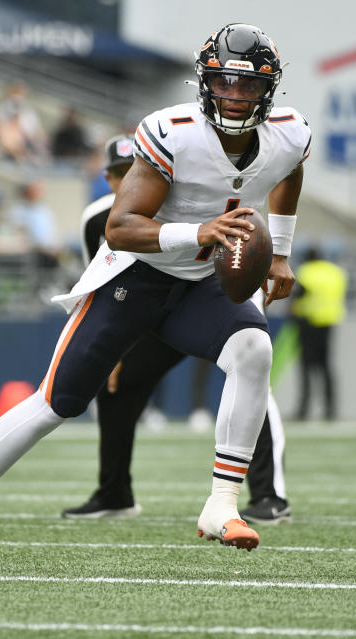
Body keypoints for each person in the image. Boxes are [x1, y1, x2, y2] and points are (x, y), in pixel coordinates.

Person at [0, 23, 309, 570]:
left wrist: (282, 251)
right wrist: (196, 233)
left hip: (201, 284)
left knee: (253, 350)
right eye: (224, 83)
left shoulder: (290, 133)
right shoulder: (173, 132)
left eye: (246, 86)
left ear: (269, 90)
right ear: (205, 82)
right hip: (136, 277)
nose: (234, 96)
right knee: (57, 402)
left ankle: (222, 505)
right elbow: (120, 228)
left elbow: (290, 172)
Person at [61, 134, 293, 525]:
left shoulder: (193, 194)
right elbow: (97, 281)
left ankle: (270, 496)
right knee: (116, 385)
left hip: (211, 306)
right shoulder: (98, 219)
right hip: (154, 313)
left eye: (131, 169)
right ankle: (114, 492)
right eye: (118, 173)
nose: (125, 179)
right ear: (108, 178)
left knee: (252, 374)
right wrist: (111, 351)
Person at [290, 246, 348, 420]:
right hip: (329, 322)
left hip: (308, 323)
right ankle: (330, 410)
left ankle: (303, 410)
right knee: (326, 367)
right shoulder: (335, 272)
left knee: (306, 368)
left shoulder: (305, 272)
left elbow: (299, 295)